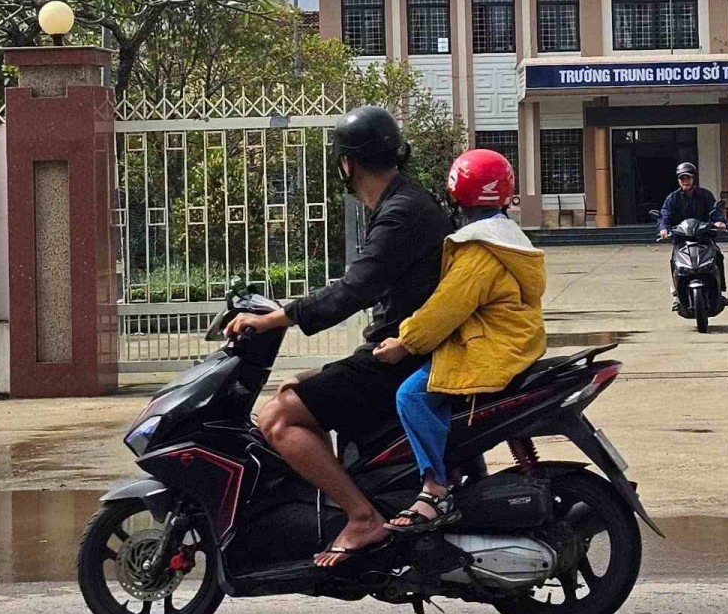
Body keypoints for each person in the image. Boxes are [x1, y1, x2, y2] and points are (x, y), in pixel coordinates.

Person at [223, 105, 450, 569]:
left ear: (345, 164)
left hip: (401, 359)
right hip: (400, 349)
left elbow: (354, 289)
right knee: (293, 389)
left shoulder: (400, 212)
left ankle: (361, 516)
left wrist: (273, 320)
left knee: (277, 418)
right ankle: (337, 505)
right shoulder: (403, 201)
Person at [373, 148, 546, 531]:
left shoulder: (479, 251)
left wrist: (404, 341)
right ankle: (467, 471)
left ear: (457, 192)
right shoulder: (509, 237)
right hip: (515, 341)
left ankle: (435, 489)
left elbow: (446, 308)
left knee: (412, 395)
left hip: (492, 347)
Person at [657, 160, 728, 306]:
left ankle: (720, 290)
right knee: (674, 261)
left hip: (703, 237)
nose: (685, 181)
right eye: (682, 178)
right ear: (678, 180)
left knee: (718, 256)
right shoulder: (672, 198)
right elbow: (664, 215)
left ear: (693, 178)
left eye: (688, 178)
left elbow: (715, 212)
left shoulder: (705, 195)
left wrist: (719, 222)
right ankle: (677, 293)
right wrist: (663, 229)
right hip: (681, 238)